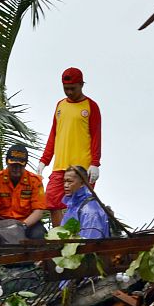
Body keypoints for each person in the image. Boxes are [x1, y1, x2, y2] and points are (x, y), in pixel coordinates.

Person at [37, 67, 101, 225]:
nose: (69, 92)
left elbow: (96, 137)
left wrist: (95, 163)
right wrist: (44, 160)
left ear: (81, 85)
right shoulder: (60, 105)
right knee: (52, 201)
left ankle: (78, 239)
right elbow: (54, 133)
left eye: (73, 88)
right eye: (66, 89)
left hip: (82, 168)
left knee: (80, 204)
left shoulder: (91, 106)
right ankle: (60, 238)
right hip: (60, 166)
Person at [0, 143, 47, 239]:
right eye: (13, 165)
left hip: (27, 223)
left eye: (20, 166)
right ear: (7, 162)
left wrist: (22, 226)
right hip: (3, 223)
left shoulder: (35, 181)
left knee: (38, 235)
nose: (16, 169)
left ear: (25, 164)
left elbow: (38, 212)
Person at [61, 165, 110, 239]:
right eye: (64, 181)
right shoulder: (73, 205)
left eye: (70, 181)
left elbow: (90, 244)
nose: (65, 185)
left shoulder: (90, 210)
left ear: (82, 183)